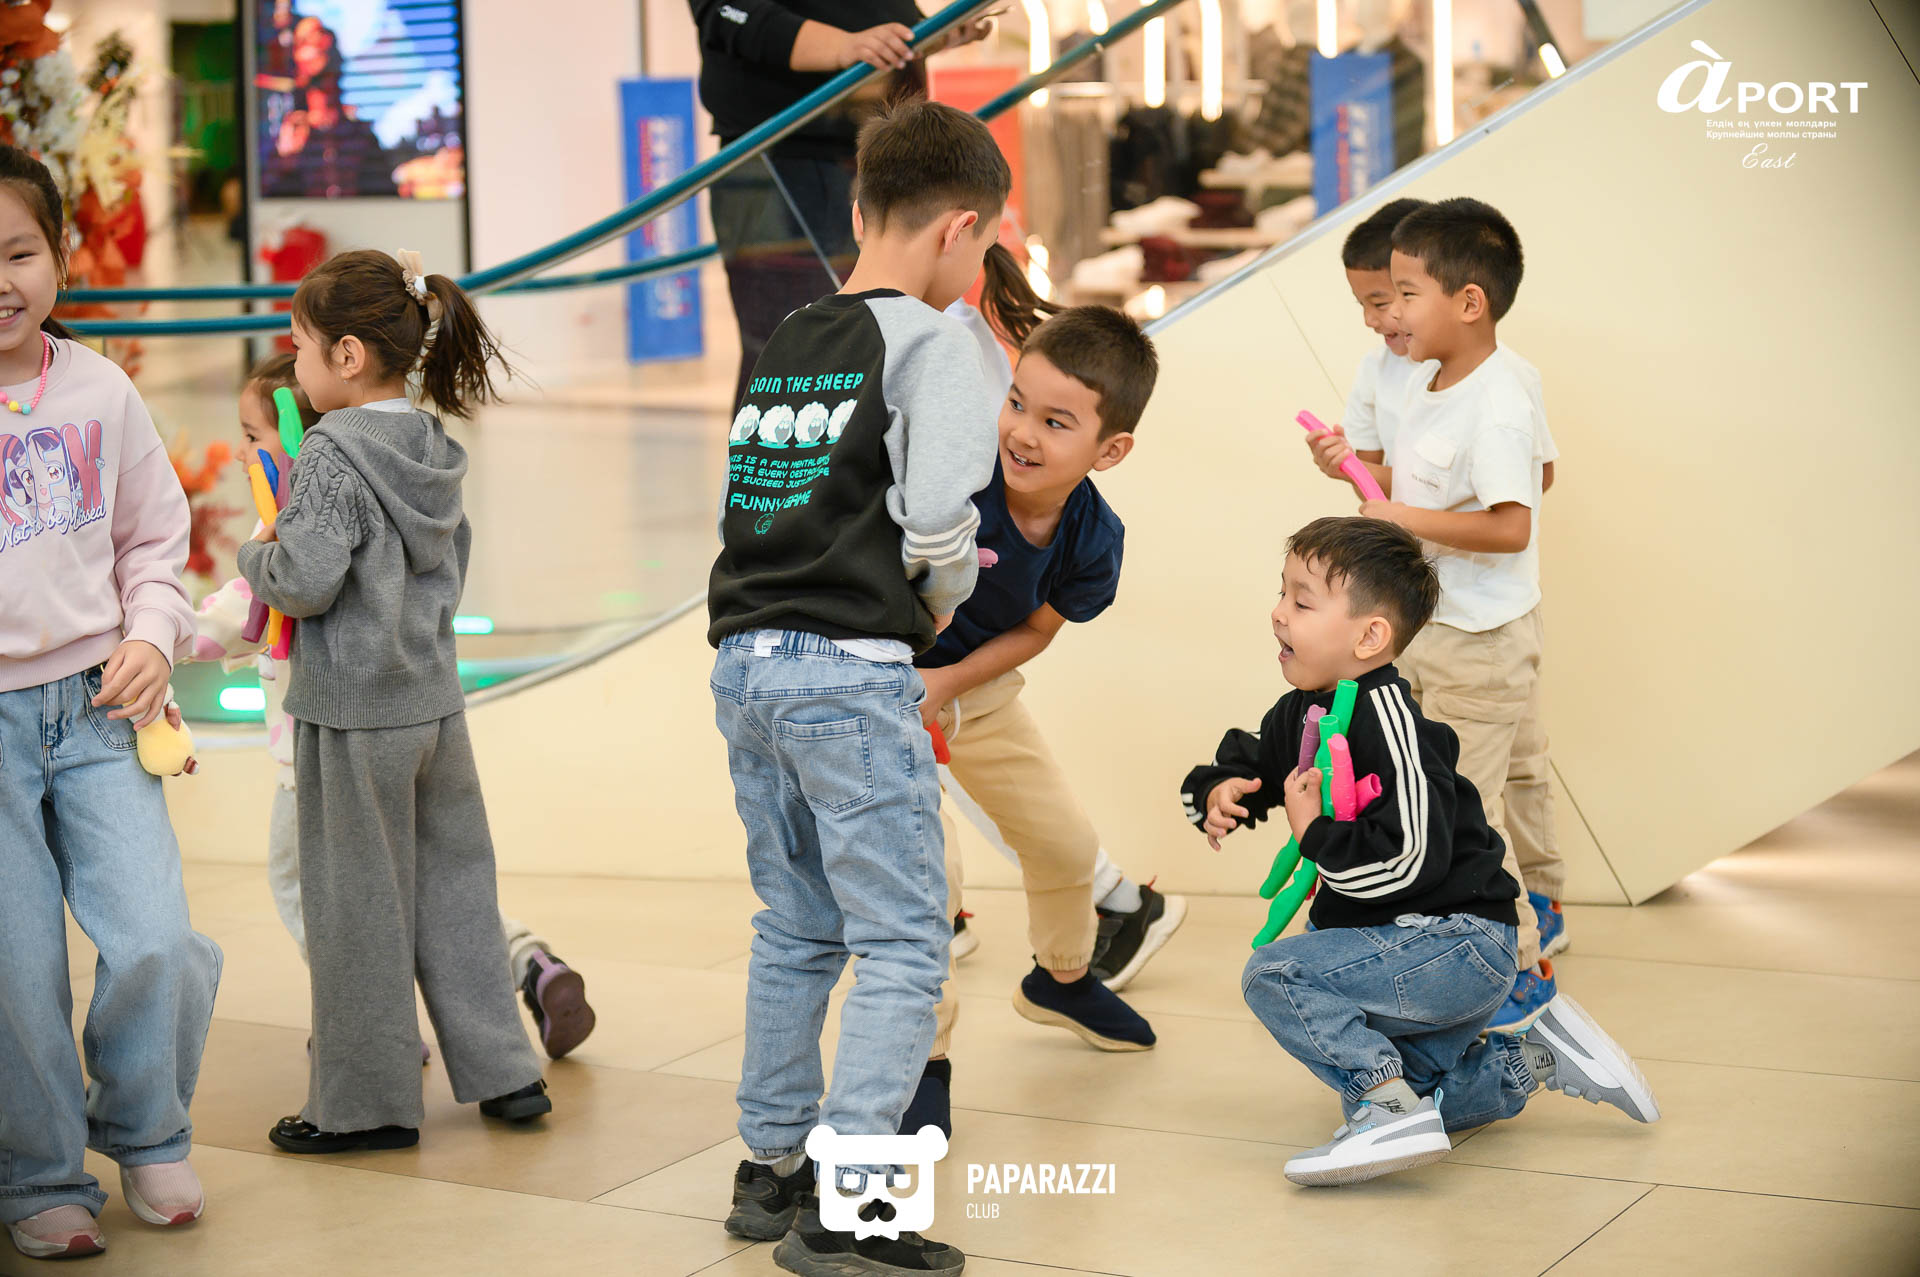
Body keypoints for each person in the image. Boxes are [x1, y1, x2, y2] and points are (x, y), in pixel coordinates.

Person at [707, 99, 1005, 1277]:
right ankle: (853, 1204)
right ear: (960, 226)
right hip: (848, 669)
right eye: (984, 247)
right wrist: (943, 594)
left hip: (746, 662)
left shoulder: (792, 332)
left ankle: (771, 1167)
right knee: (903, 941)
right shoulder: (936, 343)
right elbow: (936, 520)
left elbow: (754, 499)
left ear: (861, 203)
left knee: (796, 924)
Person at [1185, 517, 1657, 1188]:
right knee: (1422, 1093)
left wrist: (1314, 833)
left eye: (1301, 600)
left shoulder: (1394, 725)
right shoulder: (1300, 711)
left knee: (1276, 974)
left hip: (1458, 942)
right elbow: (1259, 762)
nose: (1278, 612)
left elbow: (1411, 860)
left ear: (1370, 636)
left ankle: (1386, 1111)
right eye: (1281, 592)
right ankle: (1537, 1057)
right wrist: (1221, 789)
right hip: (1409, 949)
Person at [191, 354, 598, 1061]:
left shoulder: (291, 531)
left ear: (297, 433)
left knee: (314, 889)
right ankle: (528, 960)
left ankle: (370, 1028)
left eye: (253, 436)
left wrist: (149, 635)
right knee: (439, 886)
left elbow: (239, 616)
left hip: (318, 762)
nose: (242, 452)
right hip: (415, 726)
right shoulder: (401, 488)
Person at [238, 248, 551, 1155]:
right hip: (434, 706)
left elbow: (304, 580)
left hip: (351, 715)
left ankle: (365, 1104)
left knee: (354, 913)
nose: (294, 367)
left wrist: (257, 552)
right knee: (456, 891)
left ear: (346, 355)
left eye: (300, 346)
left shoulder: (330, 452)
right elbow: (452, 563)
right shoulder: (430, 445)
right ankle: (507, 1073)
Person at [0, 144, 222, 1261]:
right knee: (14, 963)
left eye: (18, 252)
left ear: (60, 256)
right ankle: (40, 1172)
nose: (1, 280)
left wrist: (150, 634)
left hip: (99, 709)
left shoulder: (101, 389)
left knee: (156, 935)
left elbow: (153, 540)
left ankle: (146, 1127)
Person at [900, 301, 1186, 1138]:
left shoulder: (1094, 538)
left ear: (1110, 450)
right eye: (1017, 403)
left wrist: (949, 682)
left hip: (976, 687)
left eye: (1056, 422)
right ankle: (922, 1062)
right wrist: (910, 681)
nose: (1022, 432)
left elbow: (1035, 630)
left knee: (1063, 844)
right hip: (884, 687)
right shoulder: (956, 476)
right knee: (926, 880)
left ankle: (1061, 979)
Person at [1306, 196, 1567, 1032]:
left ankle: (1521, 966)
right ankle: (1510, 926)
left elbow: (1515, 520)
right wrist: (1364, 483)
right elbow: (1416, 485)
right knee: (1471, 788)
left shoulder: (1499, 398)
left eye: (1405, 294)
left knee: (1468, 808)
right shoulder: (1425, 380)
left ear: (1468, 302)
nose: (1390, 314)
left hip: (1478, 640)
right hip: (1445, 626)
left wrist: (1403, 516)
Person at [688, 0, 994, 402]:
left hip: (881, 150)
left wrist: (925, 34)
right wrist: (846, 46)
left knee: (882, 343)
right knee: (794, 356)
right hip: (780, 155)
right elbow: (727, 12)